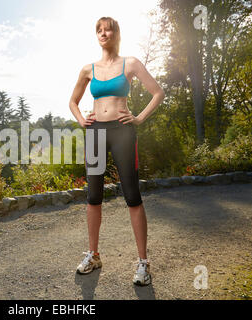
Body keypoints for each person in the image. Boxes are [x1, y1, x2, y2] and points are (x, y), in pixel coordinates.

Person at [69, 17, 165, 286]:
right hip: (96, 132)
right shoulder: (88, 69)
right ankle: (93, 255)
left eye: (107, 28)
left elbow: (158, 92)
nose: (103, 33)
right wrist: (81, 119)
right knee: (93, 195)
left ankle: (143, 263)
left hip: (123, 131)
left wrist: (139, 118)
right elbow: (73, 101)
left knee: (132, 195)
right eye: (99, 30)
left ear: (116, 33)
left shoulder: (130, 63)